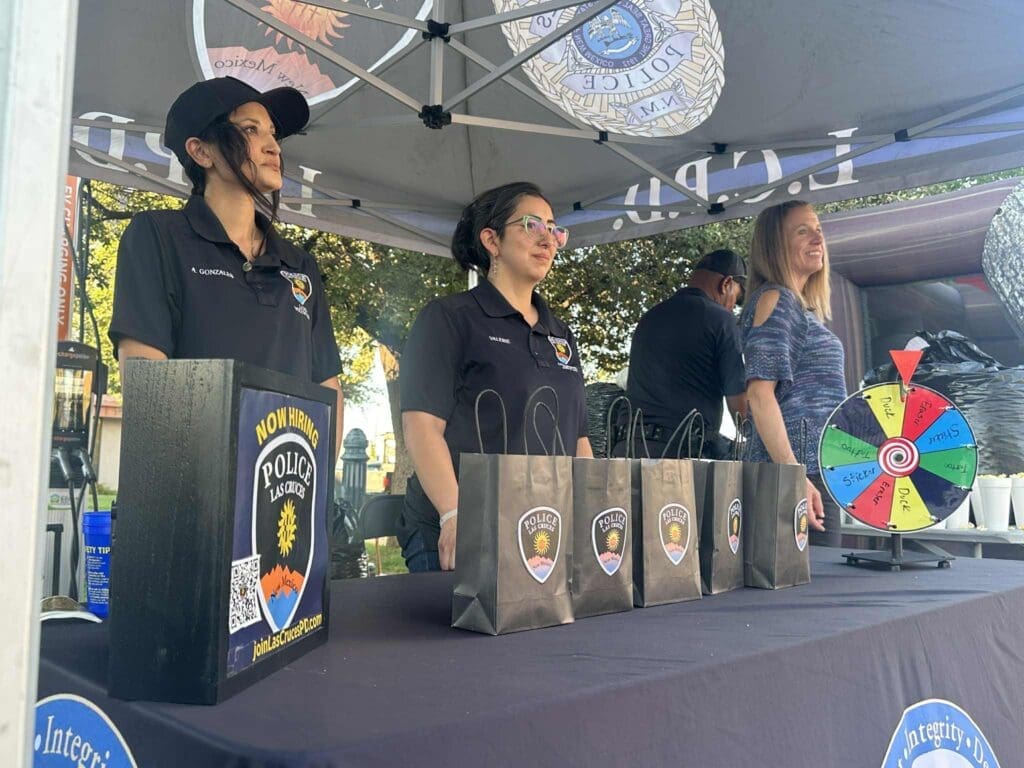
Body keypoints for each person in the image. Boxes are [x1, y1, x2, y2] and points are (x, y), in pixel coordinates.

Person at [108, 77, 344, 450]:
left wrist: (312, 493)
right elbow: (147, 388)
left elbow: (327, 389)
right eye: (251, 130)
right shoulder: (157, 237)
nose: (272, 146)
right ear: (202, 152)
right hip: (189, 493)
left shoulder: (300, 265)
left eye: (273, 133)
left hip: (285, 492)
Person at [399, 182, 593, 572]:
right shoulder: (449, 319)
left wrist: (589, 514)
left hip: (541, 532)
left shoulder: (561, 334)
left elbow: (578, 439)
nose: (548, 240)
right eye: (532, 225)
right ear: (491, 239)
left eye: (554, 230)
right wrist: (454, 515)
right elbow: (422, 427)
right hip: (467, 532)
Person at [739, 200, 847, 545]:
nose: (818, 239)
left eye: (819, 230)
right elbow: (759, 394)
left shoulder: (798, 307)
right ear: (775, 245)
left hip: (815, 472)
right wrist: (794, 474)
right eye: (803, 231)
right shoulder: (777, 299)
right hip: (799, 478)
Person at [617, 248, 748, 459]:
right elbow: (741, 408)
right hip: (676, 457)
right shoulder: (721, 320)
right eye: (737, 298)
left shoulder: (651, 317)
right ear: (726, 284)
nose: (733, 307)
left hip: (627, 450)